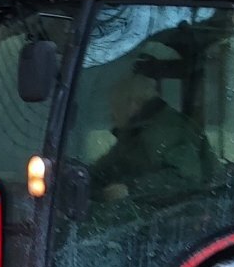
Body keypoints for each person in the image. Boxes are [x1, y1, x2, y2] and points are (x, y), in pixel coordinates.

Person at [89, 74, 215, 203]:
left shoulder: (166, 129)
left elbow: (186, 178)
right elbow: (111, 164)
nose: (112, 115)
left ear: (134, 104)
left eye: (115, 106)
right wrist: (87, 176)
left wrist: (130, 189)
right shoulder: (136, 132)